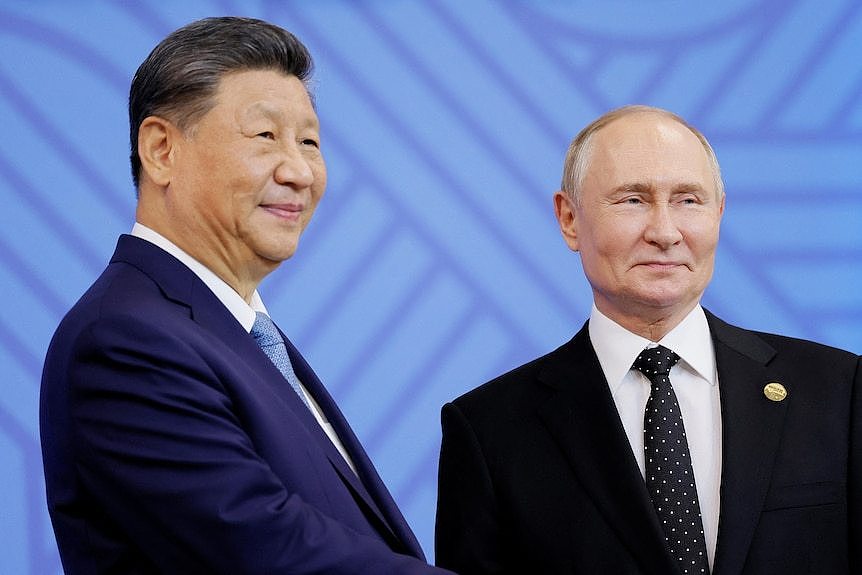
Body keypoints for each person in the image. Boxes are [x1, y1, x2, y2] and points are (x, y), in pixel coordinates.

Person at [40, 16, 453, 575]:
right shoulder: (124, 340)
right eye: (266, 137)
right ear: (161, 149)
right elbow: (265, 547)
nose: (301, 171)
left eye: (310, 141)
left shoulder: (241, 334)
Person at [435, 105, 860, 574]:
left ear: (719, 214)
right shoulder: (488, 430)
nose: (664, 232)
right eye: (632, 200)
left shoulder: (840, 390)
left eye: (688, 201)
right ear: (569, 219)